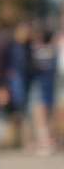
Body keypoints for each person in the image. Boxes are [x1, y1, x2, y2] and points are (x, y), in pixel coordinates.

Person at [28, 23, 57, 155]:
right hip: (50, 90)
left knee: (41, 119)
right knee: (49, 118)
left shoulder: (36, 52)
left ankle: (44, 143)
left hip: (39, 90)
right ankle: (48, 142)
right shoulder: (53, 53)